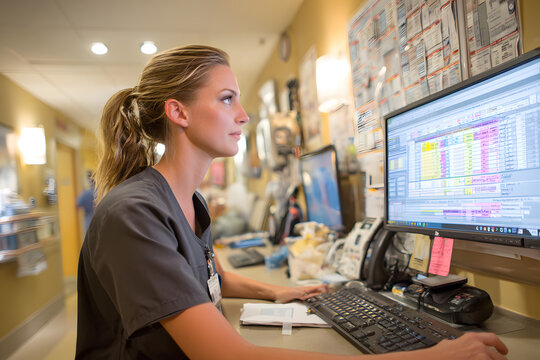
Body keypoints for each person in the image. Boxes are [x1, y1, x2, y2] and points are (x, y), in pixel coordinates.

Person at [75, 45, 509, 360]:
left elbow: (207, 281)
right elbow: (228, 355)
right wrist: (430, 357)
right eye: (227, 99)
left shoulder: (188, 200)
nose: (243, 115)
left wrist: (281, 291)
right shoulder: (134, 213)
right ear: (179, 113)